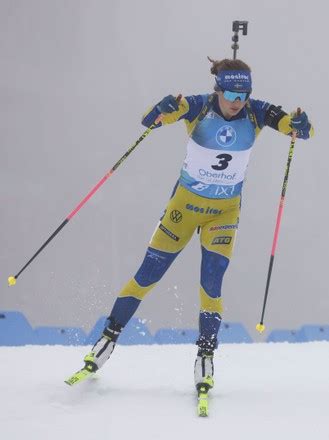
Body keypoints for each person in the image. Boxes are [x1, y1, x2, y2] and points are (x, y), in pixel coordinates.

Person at [81, 58, 314, 392]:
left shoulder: (257, 113)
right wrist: (160, 108)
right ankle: (107, 339)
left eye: (244, 93)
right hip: (183, 209)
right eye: (231, 92)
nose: (237, 100)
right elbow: (151, 119)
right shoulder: (197, 107)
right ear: (217, 89)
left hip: (224, 214)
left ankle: (205, 355)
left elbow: (301, 130)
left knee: (212, 284)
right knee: (147, 276)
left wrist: (301, 124)